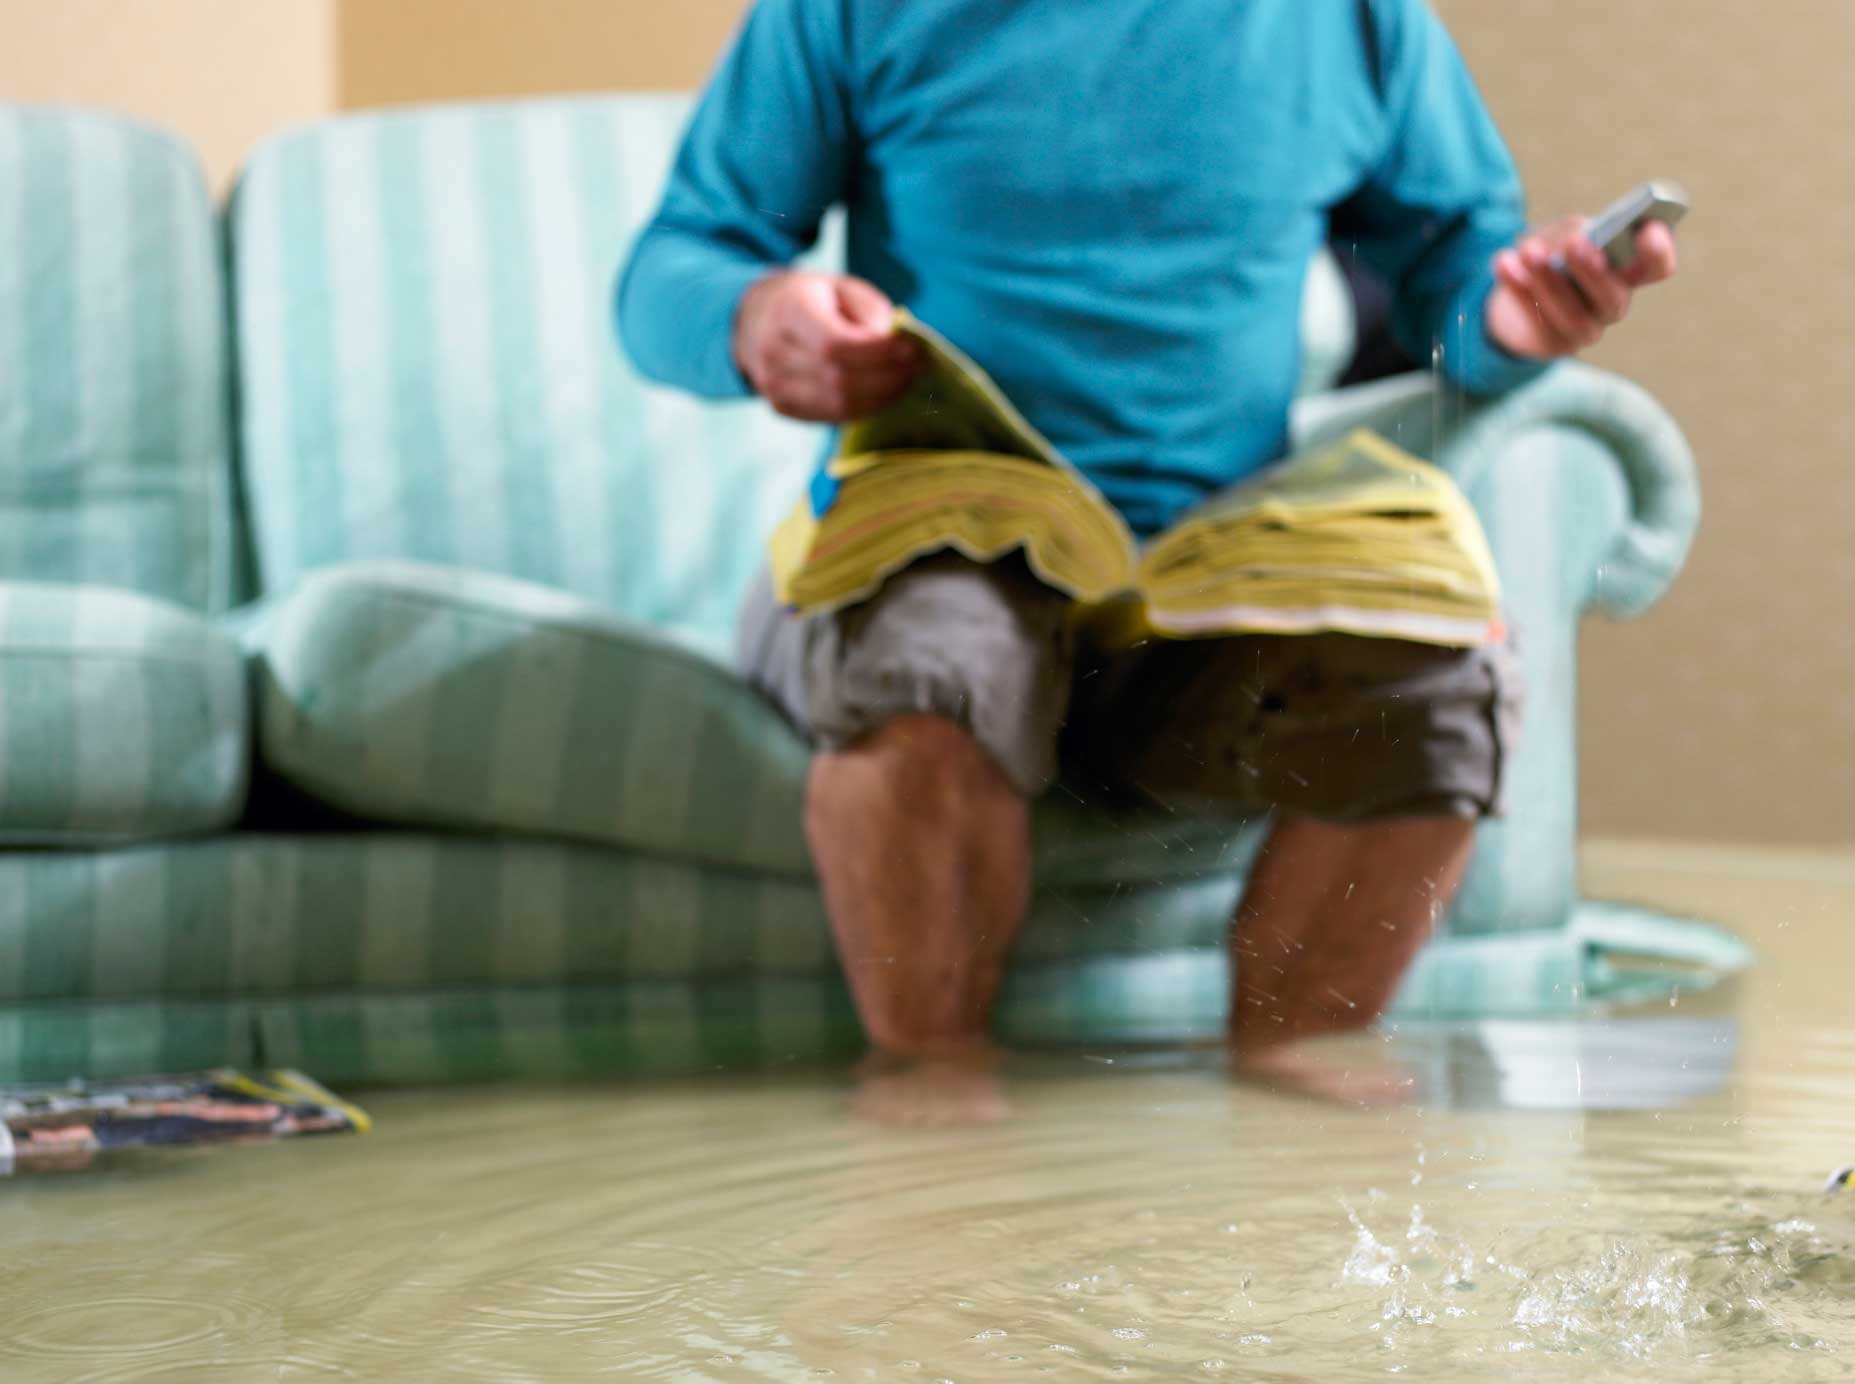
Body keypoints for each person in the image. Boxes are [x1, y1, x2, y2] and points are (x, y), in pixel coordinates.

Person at [617, 0, 1676, 1105]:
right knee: (932, 664)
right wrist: (752, 315)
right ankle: (929, 1098)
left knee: (1436, 687)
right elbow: (674, 263)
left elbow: (1453, 294)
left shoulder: (1357, 23)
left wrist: (1519, 323)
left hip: (1209, 578)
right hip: (942, 529)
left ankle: (1287, 1090)